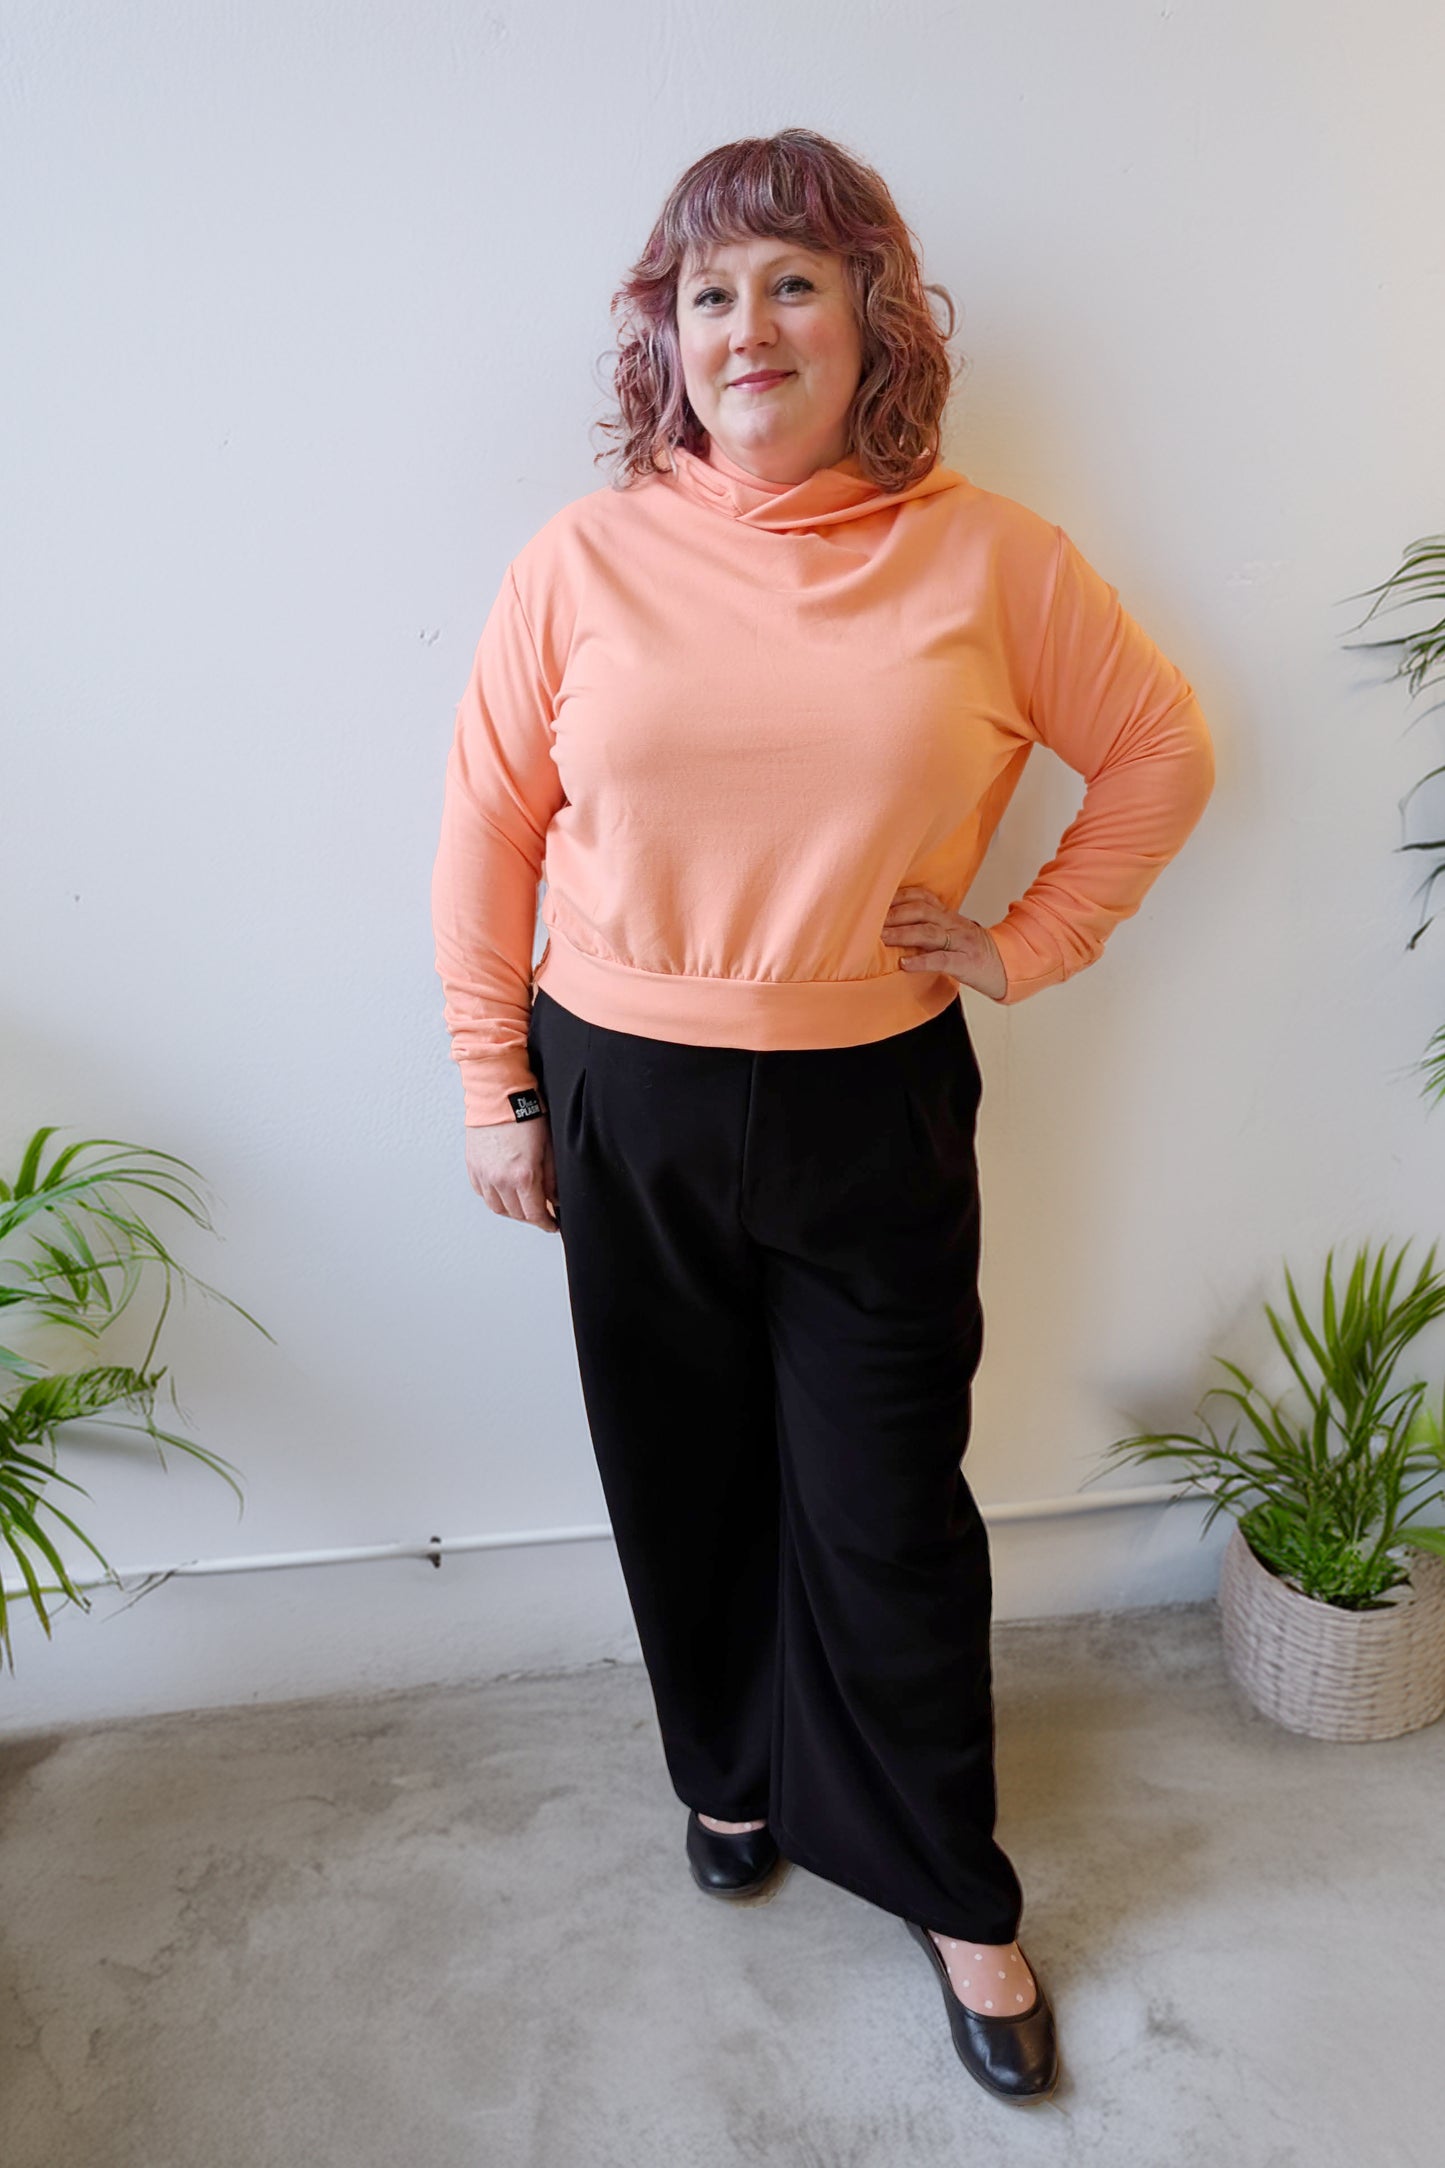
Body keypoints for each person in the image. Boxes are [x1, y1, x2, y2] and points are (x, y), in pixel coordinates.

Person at [430, 127, 1214, 2106]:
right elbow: (490, 830)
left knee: (887, 1509)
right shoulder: (580, 561)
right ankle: (728, 1772)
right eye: (709, 293)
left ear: (876, 320)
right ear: (668, 340)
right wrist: (493, 1086)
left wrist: (1027, 940)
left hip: (873, 1093)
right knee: (679, 1473)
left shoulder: (992, 557)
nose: (749, 325)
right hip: (621, 1083)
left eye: (793, 280)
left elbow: (1157, 749)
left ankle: (952, 1887)